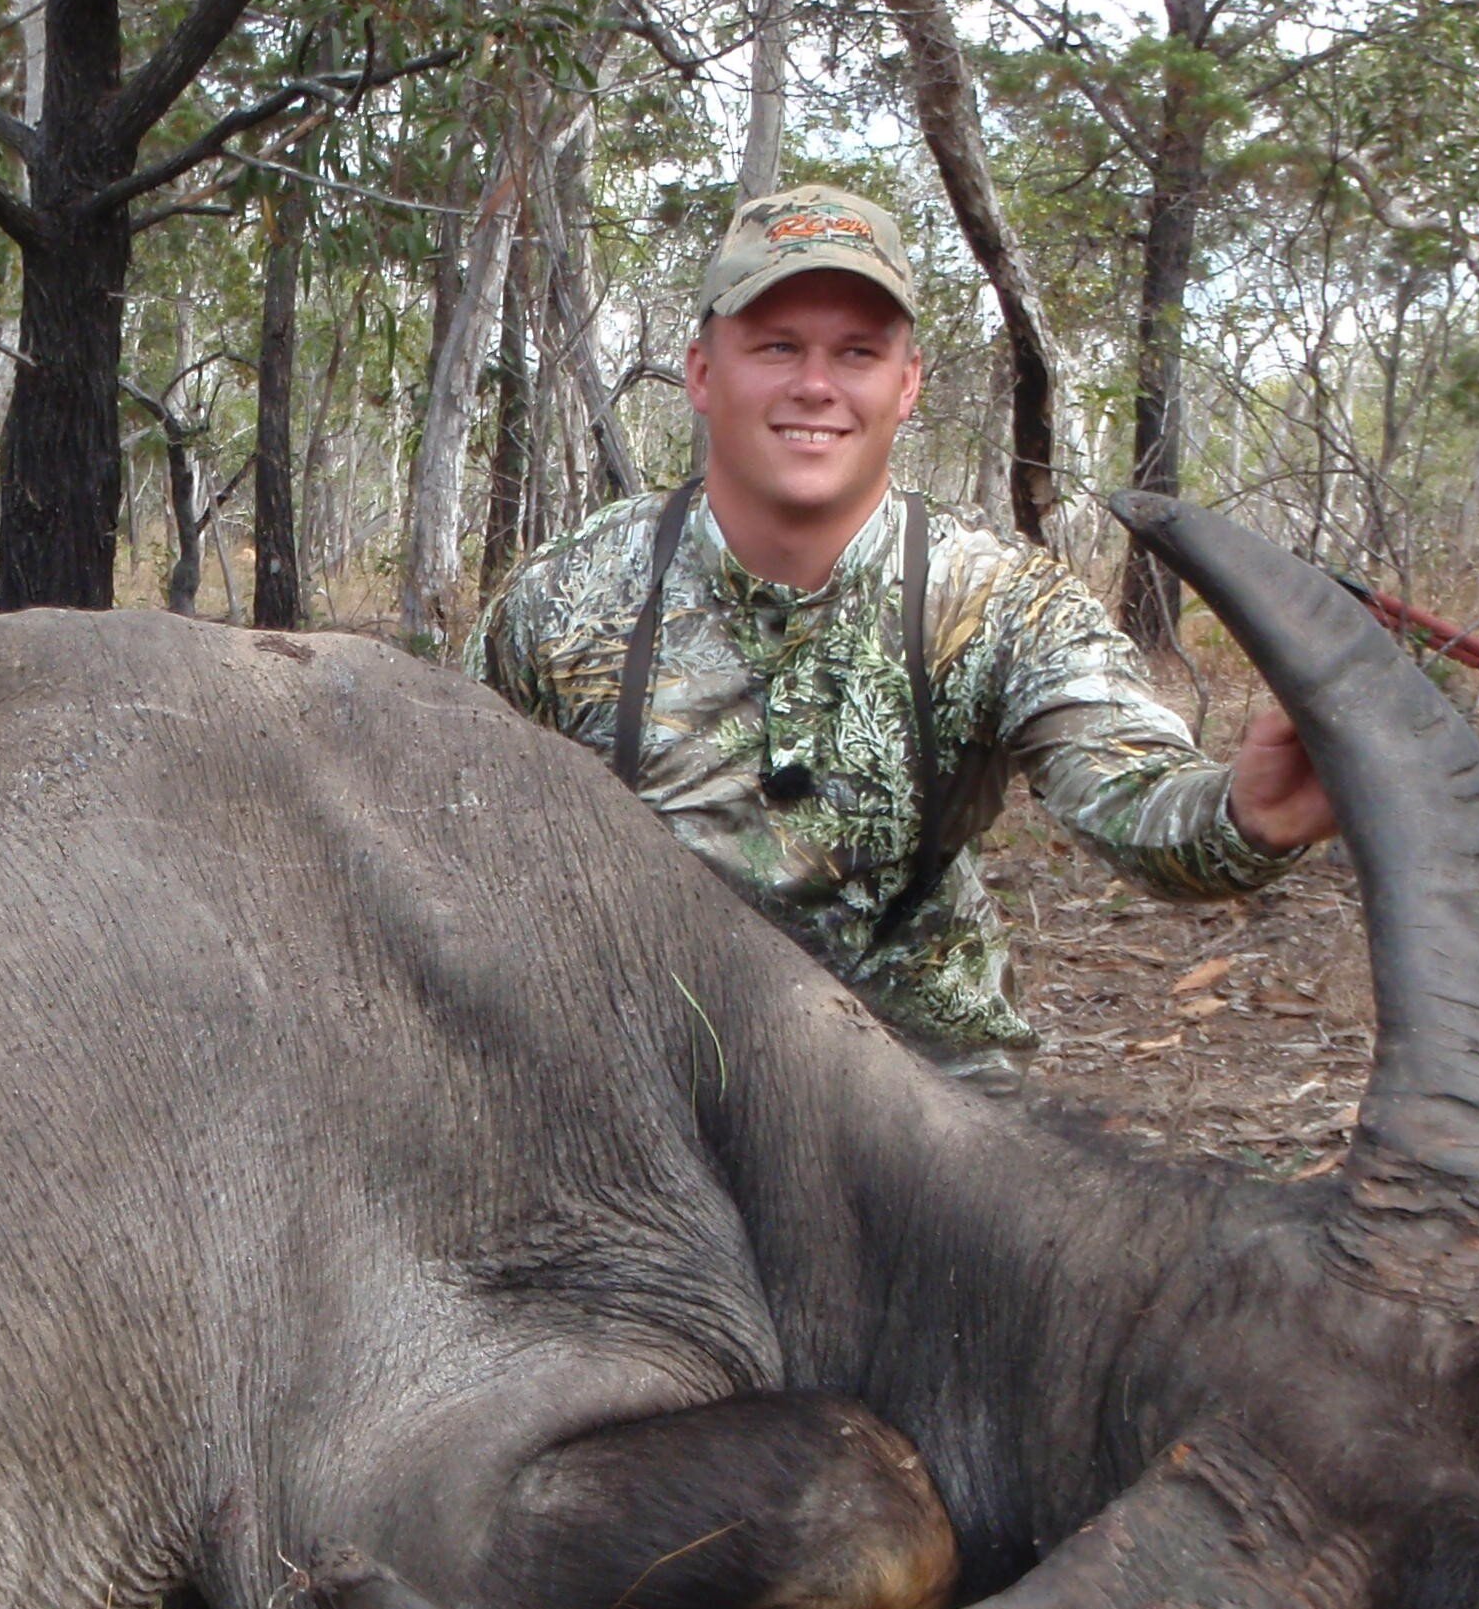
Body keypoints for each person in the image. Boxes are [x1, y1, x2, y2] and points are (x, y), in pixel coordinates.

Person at [471, 184, 1336, 1083]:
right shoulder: (564, 597)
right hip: (646, 1097)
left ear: (907, 383)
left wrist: (1249, 814)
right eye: (777, 347)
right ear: (700, 372)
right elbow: (456, 839)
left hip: (930, 1103)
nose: (816, 385)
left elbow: (1136, 797)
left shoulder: (997, 597)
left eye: (857, 352)